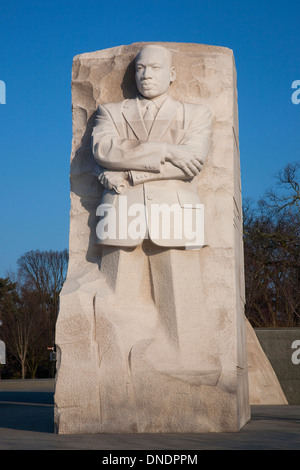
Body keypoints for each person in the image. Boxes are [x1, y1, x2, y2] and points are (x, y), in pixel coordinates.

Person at [91, 45, 220, 384]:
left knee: (180, 301)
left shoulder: (196, 114)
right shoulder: (110, 111)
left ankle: (187, 369)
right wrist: (166, 151)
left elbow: (192, 164)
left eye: (155, 68)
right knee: (113, 297)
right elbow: (105, 151)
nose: (146, 75)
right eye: (140, 69)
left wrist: (132, 173)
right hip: (120, 213)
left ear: (172, 74)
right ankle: (111, 375)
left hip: (176, 213)